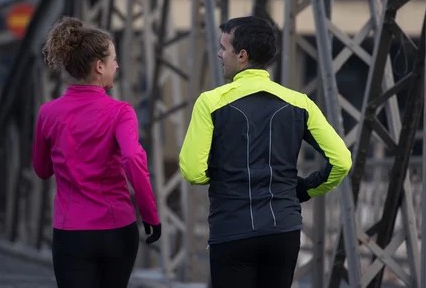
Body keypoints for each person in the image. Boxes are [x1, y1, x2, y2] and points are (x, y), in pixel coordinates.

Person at [179, 16, 352, 288]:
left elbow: (192, 171)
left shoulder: (211, 102)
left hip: (232, 229)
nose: (220, 54)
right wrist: (305, 189)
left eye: (224, 47)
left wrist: (223, 176)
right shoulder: (300, 103)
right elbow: (341, 161)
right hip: (283, 228)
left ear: (242, 55)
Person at [32, 16, 162, 288]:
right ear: (99, 66)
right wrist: (149, 213)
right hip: (117, 229)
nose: (117, 65)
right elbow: (131, 159)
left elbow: (42, 170)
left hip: (71, 232)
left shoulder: (48, 113)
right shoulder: (121, 112)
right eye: (114, 59)